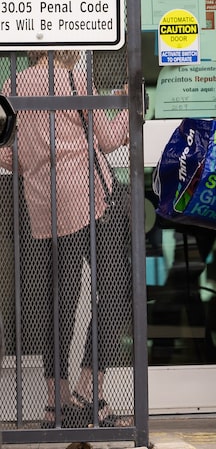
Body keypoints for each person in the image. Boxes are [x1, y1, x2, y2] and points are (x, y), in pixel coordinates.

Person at [0, 50, 130, 428]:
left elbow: (8, 154)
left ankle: (55, 405)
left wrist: (39, 160)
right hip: (89, 200)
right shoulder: (74, 80)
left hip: (44, 204)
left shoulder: (13, 86)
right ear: (67, 49)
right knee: (116, 292)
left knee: (59, 302)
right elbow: (106, 141)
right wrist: (126, 103)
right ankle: (91, 394)